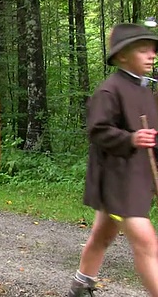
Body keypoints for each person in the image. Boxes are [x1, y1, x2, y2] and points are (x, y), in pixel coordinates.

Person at [67, 23, 158, 297]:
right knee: (146, 243)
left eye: (152, 50)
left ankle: (81, 286)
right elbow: (97, 130)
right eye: (143, 50)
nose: (152, 55)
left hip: (135, 178)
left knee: (103, 234)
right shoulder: (109, 90)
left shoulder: (144, 91)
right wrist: (130, 139)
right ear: (122, 57)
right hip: (117, 180)